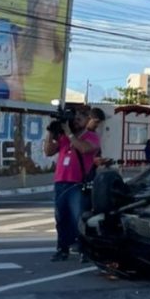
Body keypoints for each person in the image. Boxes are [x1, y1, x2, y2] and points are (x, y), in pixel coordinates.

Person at [43, 105, 100, 261]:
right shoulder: (65, 138)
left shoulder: (91, 136)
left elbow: (83, 149)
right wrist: (51, 131)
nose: (75, 122)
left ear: (87, 120)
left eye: (79, 119)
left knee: (78, 218)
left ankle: (84, 250)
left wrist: (68, 133)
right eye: (74, 120)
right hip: (61, 182)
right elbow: (48, 151)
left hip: (77, 183)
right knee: (61, 218)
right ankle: (62, 249)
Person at [4, 0, 65, 103]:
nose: (53, 4)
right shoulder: (18, 60)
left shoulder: (63, 61)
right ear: (35, 7)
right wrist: (14, 85)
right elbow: (16, 110)